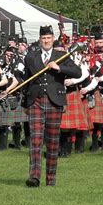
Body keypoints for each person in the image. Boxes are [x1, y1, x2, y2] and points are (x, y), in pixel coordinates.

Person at [23, 25, 81, 187]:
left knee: (53, 141)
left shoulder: (61, 55)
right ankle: (34, 176)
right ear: (39, 40)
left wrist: (59, 67)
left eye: (48, 38)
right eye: (43, 38)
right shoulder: (31, 57)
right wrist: (25, 103)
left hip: (55, 102)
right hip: (35, 101)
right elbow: (27, 81)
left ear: (53, 39)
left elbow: (77, 72)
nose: (46, 41)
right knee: (35, 139)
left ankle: (50, 178)